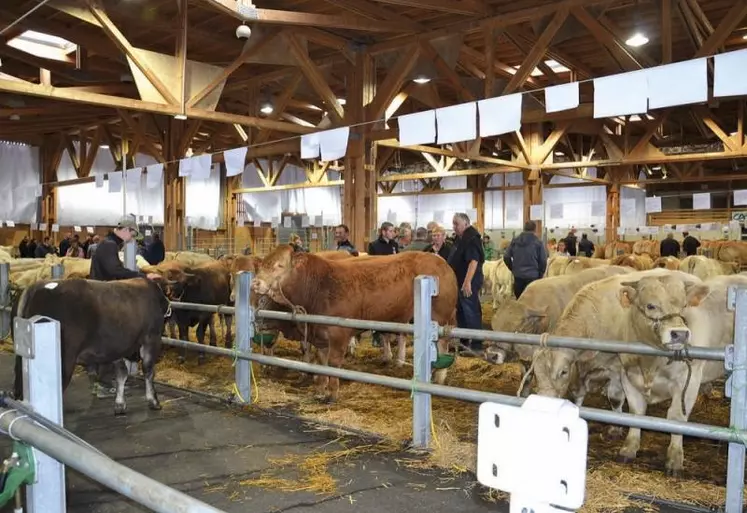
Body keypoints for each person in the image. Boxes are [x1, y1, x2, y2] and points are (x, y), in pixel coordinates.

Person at [89, 218, 161, 397]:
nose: (132, 238)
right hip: (103, 299)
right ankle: (102, 384)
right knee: (109, 341)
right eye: (133, 233)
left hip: (102, 296)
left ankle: (105, 381)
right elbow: (115, 271)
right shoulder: (109, 245)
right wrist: (141, 277)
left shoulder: (109, 244)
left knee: (107, 340)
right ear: (126, 229)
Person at [447, 213, 485, 354]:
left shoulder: (472, 238)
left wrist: (467, 282)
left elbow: (473, 261)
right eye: (453, 224)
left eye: (456, 224)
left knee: (471, 310)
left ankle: (476, 344)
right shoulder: (461, 238)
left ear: (466, 223)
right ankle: (464, 342)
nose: (454, 227)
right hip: (460, 280)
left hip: (468, 281)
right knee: (461, 311)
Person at [503, 221, 548, 299]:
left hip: (518, 276)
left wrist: (513, 268)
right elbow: (543, 261)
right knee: (531, 301)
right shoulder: (538, 242)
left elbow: (506, 257)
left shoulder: (515, 241)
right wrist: (540, 274)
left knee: (519, 300)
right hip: (533, 276)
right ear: (535, 229)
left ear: (524, 228)